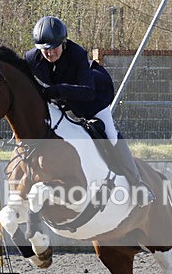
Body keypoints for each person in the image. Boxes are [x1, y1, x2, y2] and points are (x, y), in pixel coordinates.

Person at [24, 15, 154, 206]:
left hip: (92, 102)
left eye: (53, 48)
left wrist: (57, 90)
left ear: (64, 43)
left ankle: (137, 185)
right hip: (63, 104)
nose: (49, 53)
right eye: (44, 49)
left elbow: (87, 92)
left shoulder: (76, 54)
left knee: (110, 135)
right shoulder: (31, 58)